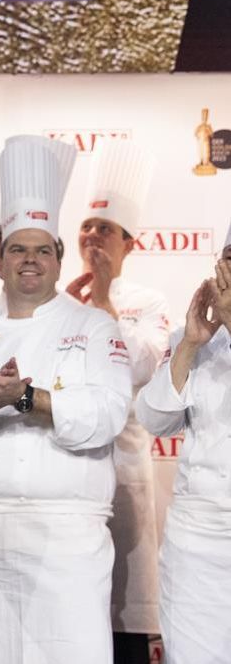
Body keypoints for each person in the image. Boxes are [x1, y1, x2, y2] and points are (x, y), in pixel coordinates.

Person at [0, 134, 132, 664]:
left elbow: (108, 414)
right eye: (17, 248)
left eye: (43, 249)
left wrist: (26, 399)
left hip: (66, 536)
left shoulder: (93, 326)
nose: (30, 260)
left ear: (59, 259)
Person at [65, 139, 169, 662]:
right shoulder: (60, 298)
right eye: (86, 226)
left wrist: (103, 301)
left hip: (124, 467)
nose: (92, 236)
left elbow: (144, 367)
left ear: (130, 243)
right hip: (67, 471)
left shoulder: (148, 303)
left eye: (105, 228)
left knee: (124, 602)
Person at [134, 224, 231, 664]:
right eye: (230, 256)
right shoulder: (195, 335)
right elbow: (155, 419)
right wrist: (190, 346)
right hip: (197, 538)